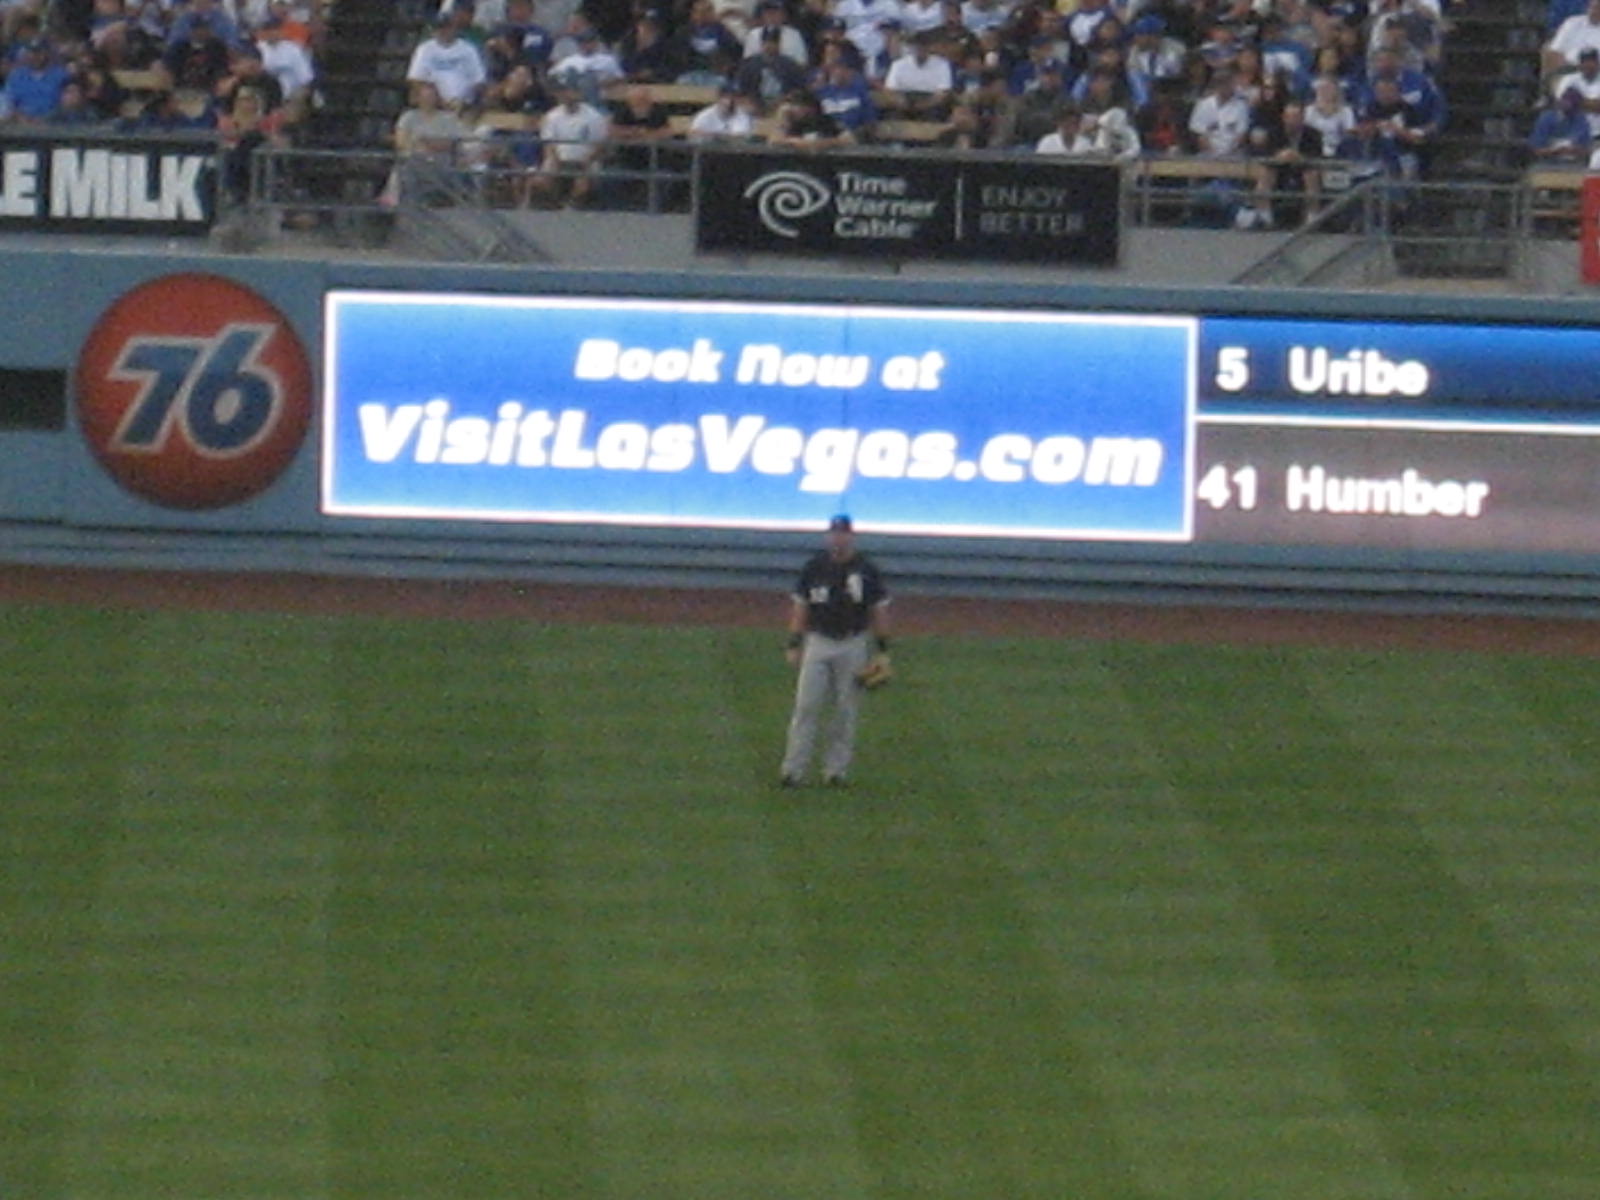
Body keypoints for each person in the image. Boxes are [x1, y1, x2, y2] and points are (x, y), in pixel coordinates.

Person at [779, 514, 891, 789]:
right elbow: (801, 607)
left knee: (845, 709)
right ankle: (793, 769)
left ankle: (835, 771)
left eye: (843, 534)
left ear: (851, 536)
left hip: (853, 642)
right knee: (806, 707)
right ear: (828, 536)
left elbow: (878, 610)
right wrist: (795, 642)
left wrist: (882, 650)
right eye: (834, 533)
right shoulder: (814, 567)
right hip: (818, 641)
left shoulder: (866, 569)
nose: (838, 538)